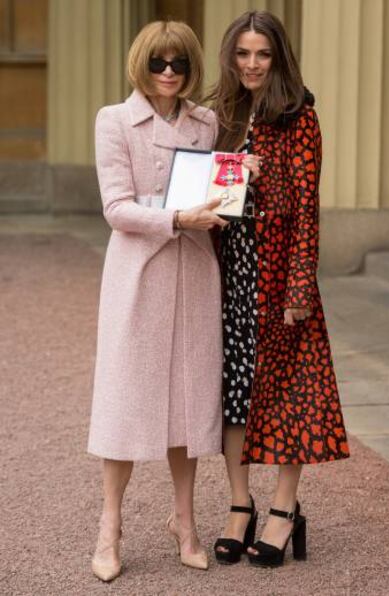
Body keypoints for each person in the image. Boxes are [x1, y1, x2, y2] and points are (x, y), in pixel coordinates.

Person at [87, 20, 228, 580]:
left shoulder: (206, 121)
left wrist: (238, 181)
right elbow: (116, 208)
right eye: (157, 63)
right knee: (125, 399)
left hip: (194, 271)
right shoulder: (114, 120)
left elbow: (215, 194)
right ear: (141, 64)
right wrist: (176, 217)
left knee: (188, 402)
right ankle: (110, 525)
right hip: (138, 273)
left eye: (179, 64)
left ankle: (185, 522)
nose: (168, 73)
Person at [209, 10, 350, 568]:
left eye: (261, 54)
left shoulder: (300, 118)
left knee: (291, 394)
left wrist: (298, 287)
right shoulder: (223, 114)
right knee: (235, 393)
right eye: (242, 54)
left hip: (278, 277)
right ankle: (239, 504)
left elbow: (308, 212)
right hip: (230, 272)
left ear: (278, 58)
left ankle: (284, 510)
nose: (251, 64)